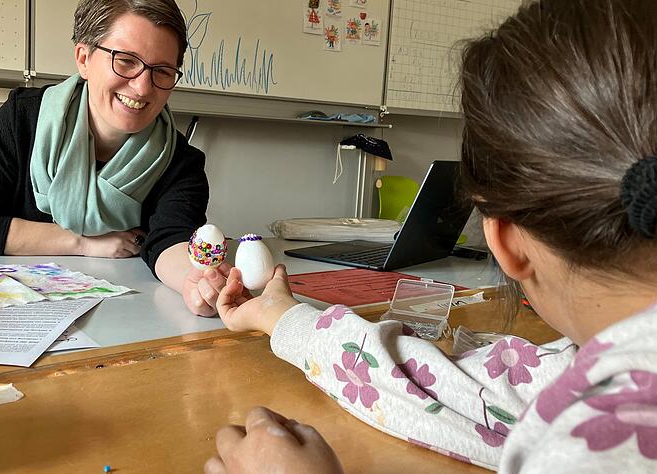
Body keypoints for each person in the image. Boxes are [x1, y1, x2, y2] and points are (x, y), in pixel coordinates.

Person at [205, 0, 657, 472]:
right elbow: (458, 390)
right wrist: (279, 315)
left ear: (506, 242)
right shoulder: (600, 369)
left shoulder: (597, 449)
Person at [0, 0, 229, 316]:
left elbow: (171, 240)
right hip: (12, 311)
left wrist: (195, 281)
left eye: (162, 71)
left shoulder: (180, 161)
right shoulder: (22, 119)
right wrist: (83, 243)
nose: (142, 87)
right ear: (84, 58)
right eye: (126, 61)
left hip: (120, 315)